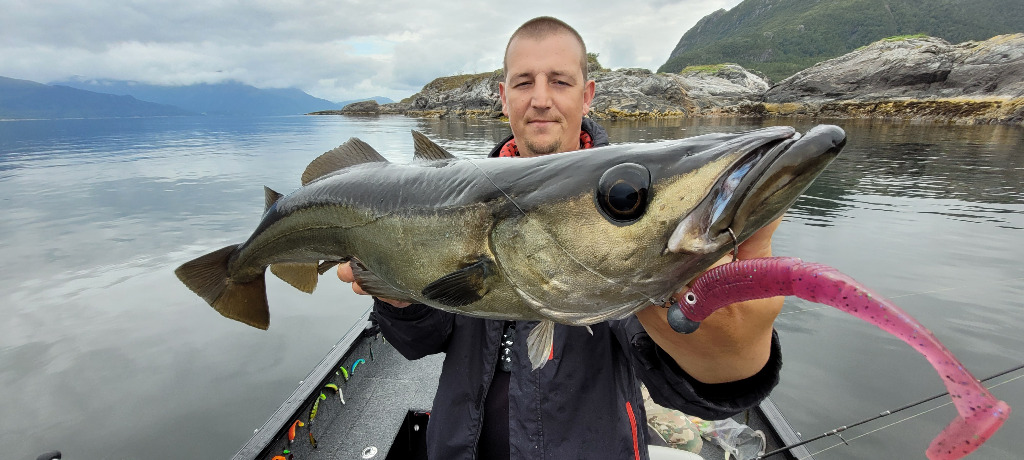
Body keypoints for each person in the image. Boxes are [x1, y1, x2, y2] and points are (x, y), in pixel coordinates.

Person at [337, 16, 784, 460]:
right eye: (524, 82)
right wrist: (399, 301)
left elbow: (670, 373)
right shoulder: (449, 201)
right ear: (504, 96)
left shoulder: (627, 211)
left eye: (560, 81)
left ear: (587, 95)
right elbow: (420, 342)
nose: (541, 99)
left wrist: (724, 357)